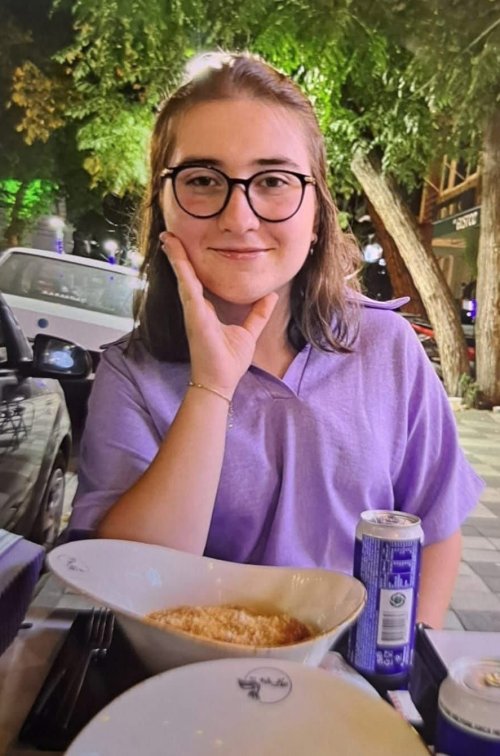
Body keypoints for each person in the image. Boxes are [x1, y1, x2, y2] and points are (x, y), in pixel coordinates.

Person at [68, 51, 483, 629]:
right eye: (203, 180)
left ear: (316, 215)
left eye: (273, 181)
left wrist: (406, 656)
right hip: (183, 675)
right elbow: (129, 578)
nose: (240, 217)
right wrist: (211, 389)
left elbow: (433, 531)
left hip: (345, 676)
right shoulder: (131, 375)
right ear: (162, 208)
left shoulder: (387, 348)